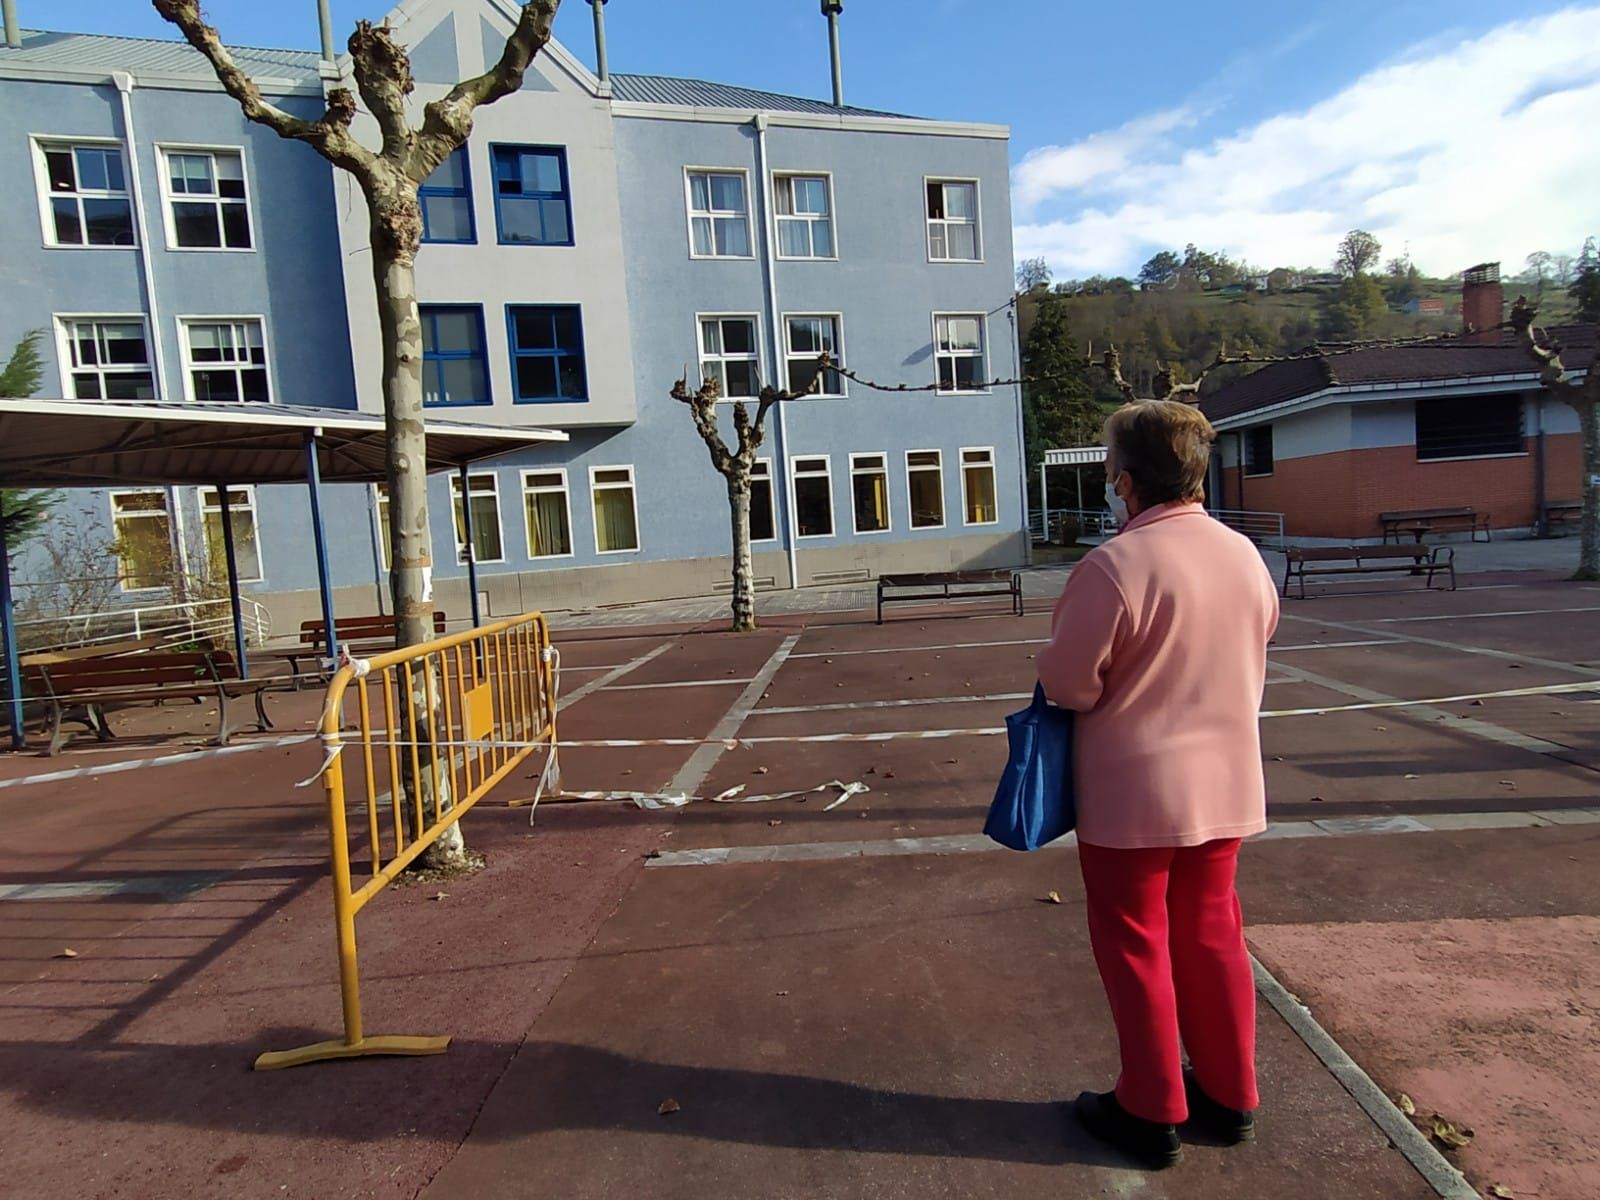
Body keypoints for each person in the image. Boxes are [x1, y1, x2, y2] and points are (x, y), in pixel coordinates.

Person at [1035, 400, 1280, 1169]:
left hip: (1133, 795)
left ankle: (1150, 1104)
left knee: (1135, 944)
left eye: (1112, 469)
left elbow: (1072, 684)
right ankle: (1230, 1091)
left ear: (1128, 479)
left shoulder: (1114, 566)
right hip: (1227, 783)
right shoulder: (1244, 554)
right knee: (1213, 936)